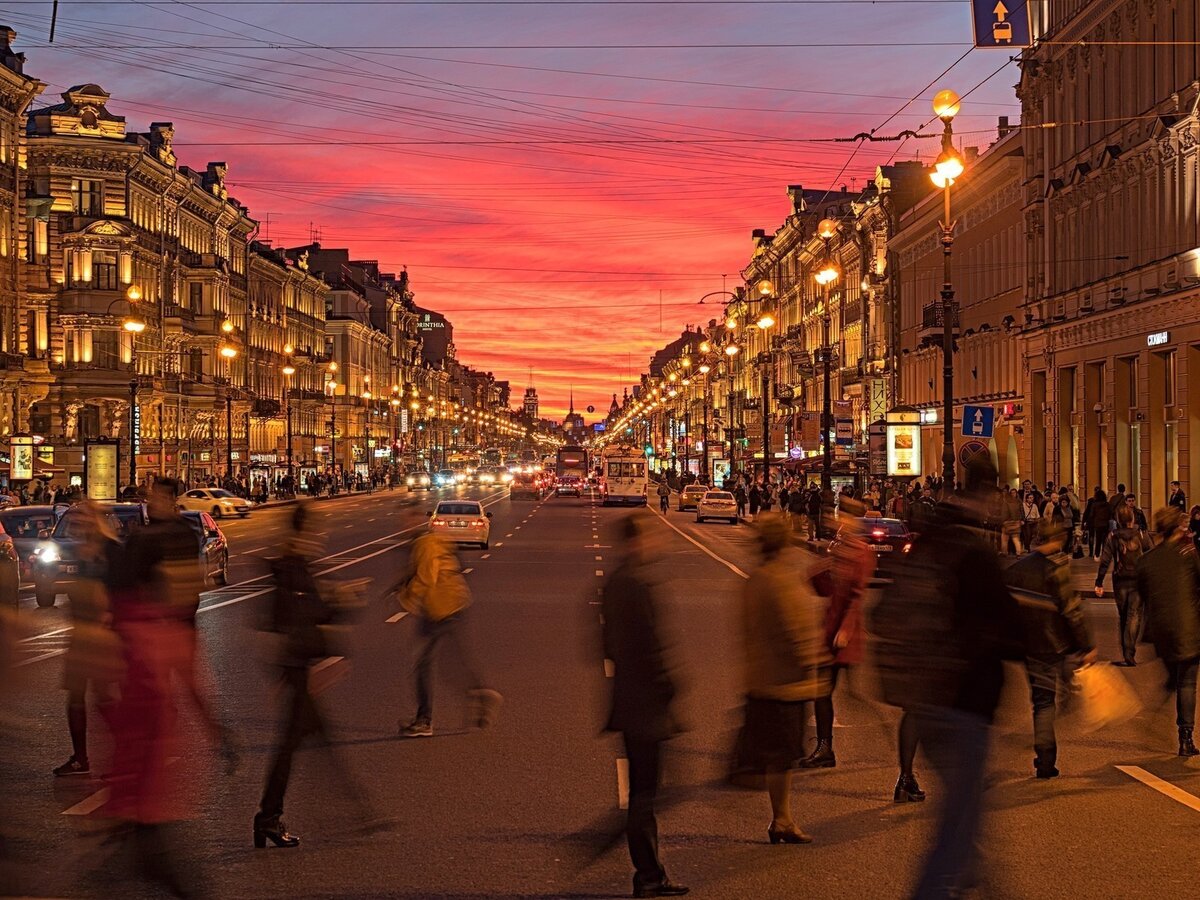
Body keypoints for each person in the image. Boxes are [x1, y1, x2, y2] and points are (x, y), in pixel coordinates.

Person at [872, 458, 1024, 898]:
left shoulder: (927, 542)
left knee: (966, 817)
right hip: (963, 703)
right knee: (957, 826)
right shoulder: (975, 552)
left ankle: (976, 880)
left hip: (923, 699)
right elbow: (1008, 628)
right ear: (992, 493)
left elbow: (887, 610)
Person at [600, 515, 688, 899]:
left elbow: (606, 645)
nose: (659, 542)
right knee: (649, 793)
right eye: (653, 535)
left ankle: (648, 871)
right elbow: (650, 648)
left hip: (628, 698)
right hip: (646, 703)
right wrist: (669, 688)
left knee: (647, 790)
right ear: (638, 542)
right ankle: (647, 874)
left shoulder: (616, 582)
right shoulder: (637, 585)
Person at [738, 514, 829, 845]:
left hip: (762, 677)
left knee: (778, 756)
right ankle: (782, 819)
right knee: (783, 756)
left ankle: (782, 818)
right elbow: (796, 631)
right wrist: (815, 664)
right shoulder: (780, 580)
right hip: (787, 683)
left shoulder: (755, 578)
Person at [1006, 519, 1095, 778]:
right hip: (1054, 644)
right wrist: (1085, 646)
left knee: (1041, 701)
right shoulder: (1058, 571)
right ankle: (1047, 760)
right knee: (1048, 702)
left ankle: (1043, 757)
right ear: (1056, 541)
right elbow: (1071, 612)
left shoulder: (1016, 569)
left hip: (1028, 645)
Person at [394, 530, 502, 737]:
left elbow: (427, 576)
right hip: (454, 603)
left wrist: (406, 600)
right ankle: (480, 693)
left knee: (423, 664)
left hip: (439, 607)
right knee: (453, 660)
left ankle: (424, 721)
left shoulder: (424, 543)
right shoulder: (436, 540)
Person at [52, 503, 123, 777]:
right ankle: (80, 757)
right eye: (77, 520)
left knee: (104, 695)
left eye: (84, 519)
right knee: (76, 696)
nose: (79, 525)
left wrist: (108, 615)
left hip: (102, 634)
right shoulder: (80, 550)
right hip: (81, 633)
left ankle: (122, 751)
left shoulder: (110, 550)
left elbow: (119, 589)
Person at [802, 502, 870, 769]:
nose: (841, 520)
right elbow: (821, 588)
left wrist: (846, 629)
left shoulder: (863, 553)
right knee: (822, 692)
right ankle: (824, 747)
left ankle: (827, 747)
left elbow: (857, 595)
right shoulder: (840, 548)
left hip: (844, 635)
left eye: (846, 516)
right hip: (830, 628)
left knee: (846, 695)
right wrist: (827, 562)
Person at [1135, 507, 1200, 756]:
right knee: (1187, 683)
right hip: (1189, 628)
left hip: (1161, 631)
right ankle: (1185, 738)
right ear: (1176, 529)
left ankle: (1160, 700)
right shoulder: (1188, 553)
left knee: (1175, 678)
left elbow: (1144, 596)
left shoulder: (1145, 560)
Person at [1096, 505, 1151, 667]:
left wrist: (1099, 582)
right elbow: (1151, 555)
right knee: (1134, 616)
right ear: (1132, 518)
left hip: (1120, 581)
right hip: (1138, 580)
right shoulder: (1142, 535)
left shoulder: (1112, 536)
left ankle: (1126, 650)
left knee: (1124, 615)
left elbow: (1105, 560)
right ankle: (1129, 652)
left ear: (1118, 520)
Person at [1088, 489, 1111, 557]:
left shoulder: (1095, 505)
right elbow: (1110, 513)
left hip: (1097, 524)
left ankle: (1097, 554)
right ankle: (1104, 554)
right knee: (1105, 540)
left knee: (1098, 540)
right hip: (1106, 524)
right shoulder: (1107, 504)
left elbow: (1091, 515)